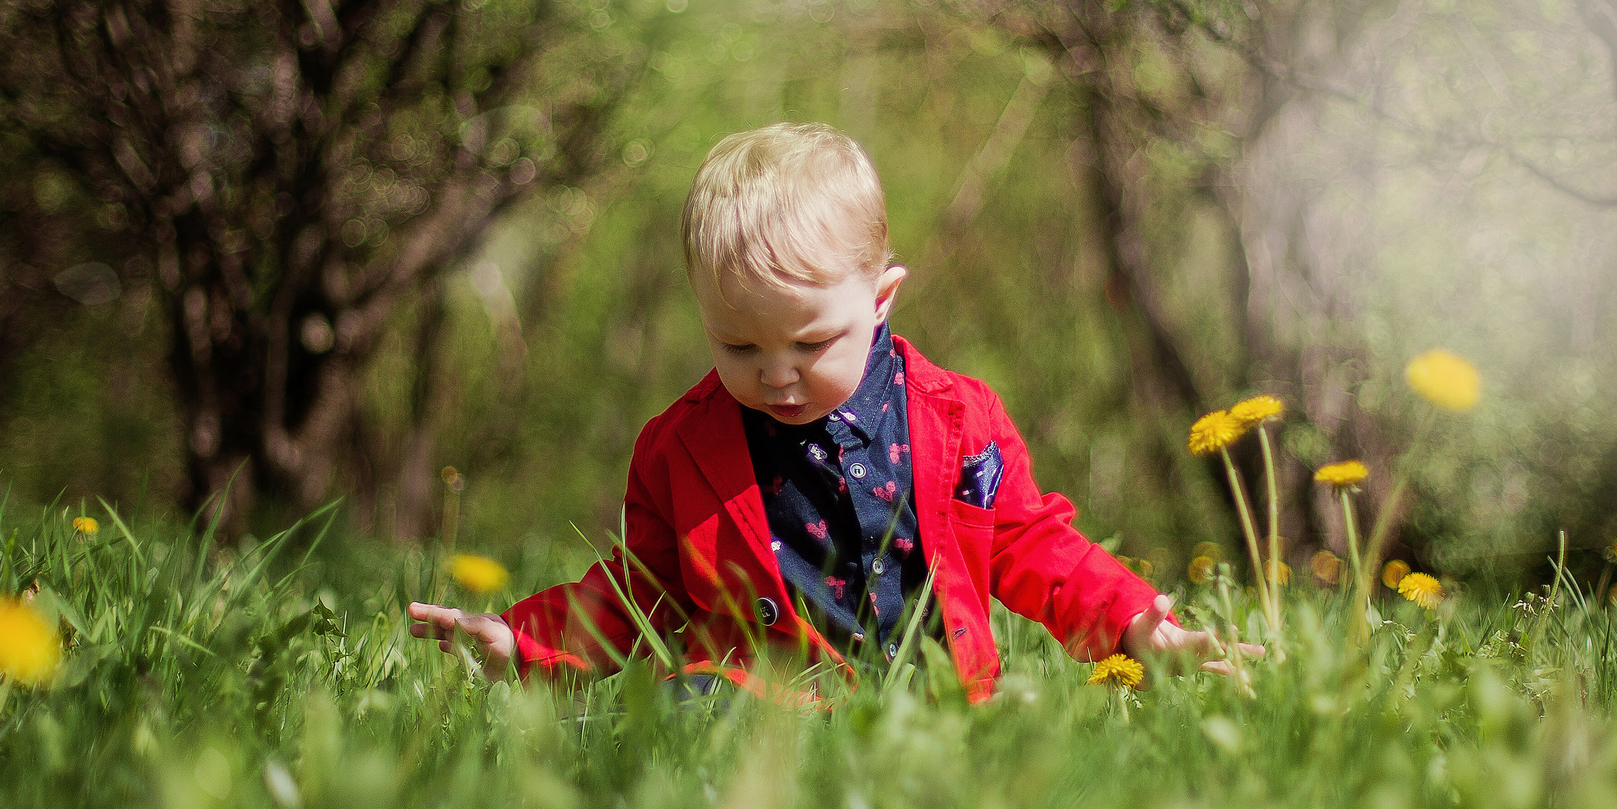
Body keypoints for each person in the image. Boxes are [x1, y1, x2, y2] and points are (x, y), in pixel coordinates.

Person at [406, 123, 1256, 701]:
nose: (776, 374)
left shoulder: (957, 419)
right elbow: (644, 589)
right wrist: (523, 640)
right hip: (765, 701)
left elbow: (1034, 544)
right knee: (685, 704)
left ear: (880, 299)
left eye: (810, 345)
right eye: (739, 348)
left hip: (936, 704)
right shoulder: (680, 447)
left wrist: (1143, 625)